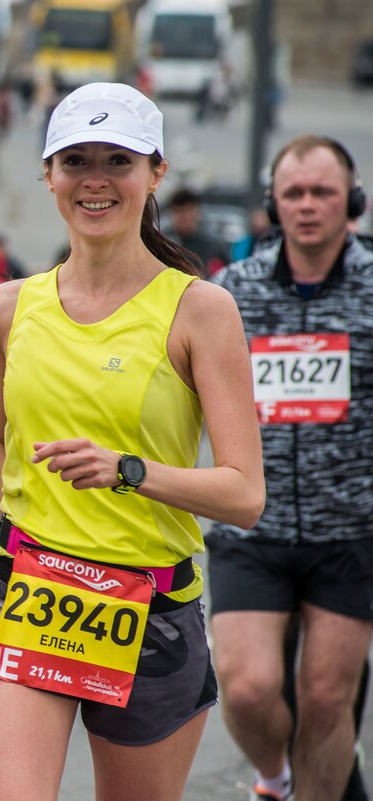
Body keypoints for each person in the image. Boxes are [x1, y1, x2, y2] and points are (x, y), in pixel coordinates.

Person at [0, 82, 265, 801]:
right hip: (26, 589)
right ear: (48, 175)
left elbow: (244, 494)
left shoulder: (200, 309)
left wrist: (129, 470)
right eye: (75, 161)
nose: (95, 180)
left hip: (149, 607)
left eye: (118, 160)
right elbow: (1, 442)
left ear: (154, 173)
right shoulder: (9, 305)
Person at [208, 134, 373, 801]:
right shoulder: (232, 291)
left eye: (322, 192)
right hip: (253, 526)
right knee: (247, 691)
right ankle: (275, 778)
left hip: (351, 531)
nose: (307, 206)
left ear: (351, 200)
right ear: (274, 203)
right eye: (293, 194)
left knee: (328, 698)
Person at [166, 187, 232, 275]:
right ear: (172, 213)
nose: (186, 217)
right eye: (181, 211)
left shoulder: (211, 244)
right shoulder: (164, 242)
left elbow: (229, 273)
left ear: (198, 212)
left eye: (189, 210)